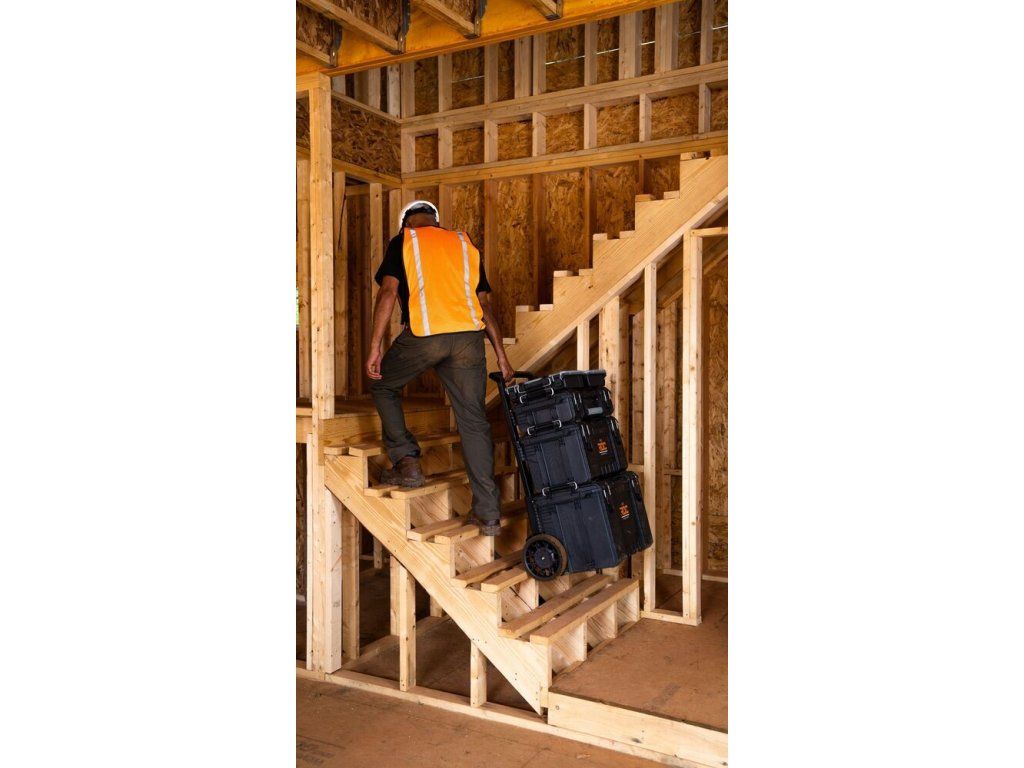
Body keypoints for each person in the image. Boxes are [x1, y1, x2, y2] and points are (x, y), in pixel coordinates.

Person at [366, 200, 514, 536]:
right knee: (473, 421)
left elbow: (388, 292)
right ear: (436, 220)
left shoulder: (404, 240)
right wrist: (501, 355)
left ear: (406, 222)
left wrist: (375, 346)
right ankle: (488, 513)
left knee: (383, 385)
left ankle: (406, 462)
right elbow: (483, 305)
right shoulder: (463, 244)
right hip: (468, 339)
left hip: (426, 335)